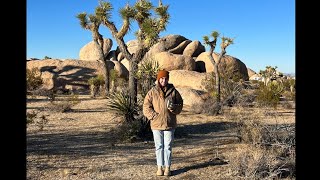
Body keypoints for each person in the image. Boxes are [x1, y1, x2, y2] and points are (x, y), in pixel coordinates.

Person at [143, 70, 183, 176]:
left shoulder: (174, 91)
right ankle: (159, 167)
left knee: (168, 146)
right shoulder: (152, 92)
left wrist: (173, 108)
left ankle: (167, 168)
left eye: (165, 78)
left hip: (170, 124)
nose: (163, 80)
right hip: (156, 125)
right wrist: (154, 116)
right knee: (159, 146)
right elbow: (146, 107)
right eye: (161, 78)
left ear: (168, 79)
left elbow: (180, 105)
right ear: (158, 79)